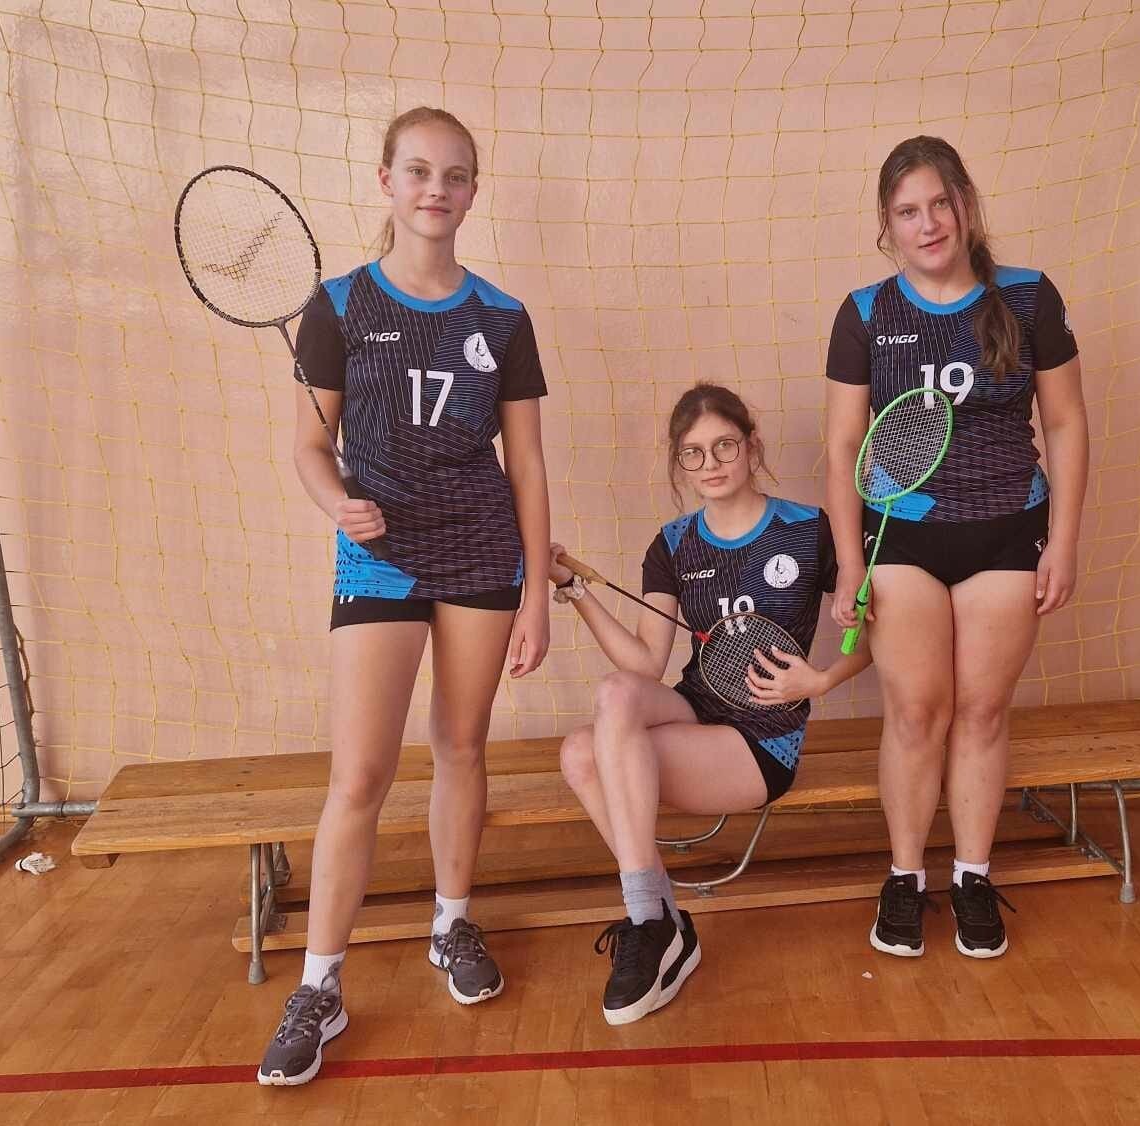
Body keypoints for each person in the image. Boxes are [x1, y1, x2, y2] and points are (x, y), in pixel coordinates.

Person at [257, 106, 553, 1086]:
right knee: (359, 775)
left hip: (481, 555)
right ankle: (320, 985)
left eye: (455, 174)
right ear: (387, 180)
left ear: (472, 192)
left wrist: (535, 594)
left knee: (461, 746)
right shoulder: (338, 304)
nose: (437, 188)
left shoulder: (502, 318)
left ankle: (450, 923)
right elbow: (310, 445)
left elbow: (527, 463)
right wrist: (336, 503)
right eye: (419, 170)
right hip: (378, 557)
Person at [823, 135, 1088, 960]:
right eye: (908, 211)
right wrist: (847, 561)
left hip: (1008, 532)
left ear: (966, 205)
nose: (928, 223)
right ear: (888, 225)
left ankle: (972, 875)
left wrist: (1064, 541)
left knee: (981, 710)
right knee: (915, 712)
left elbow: (1067, 424)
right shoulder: (866, 314)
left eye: (940, 203)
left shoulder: (1029, 298)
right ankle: (905, 878)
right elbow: (842, 447)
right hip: (902, 538)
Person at [551, 383, 871, 1024]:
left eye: (724, 445)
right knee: (595, 724)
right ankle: (653, 916)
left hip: (762, 740)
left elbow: (878, 633)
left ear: (751, 445)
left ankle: (655, 924)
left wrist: (821, 681)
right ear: (680, 463)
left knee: (591, 756)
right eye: (693, 453)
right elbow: (646, 665)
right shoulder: (672, 545)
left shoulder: (810, 530)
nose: (711, 463)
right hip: (695, 710)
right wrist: (577, 590)